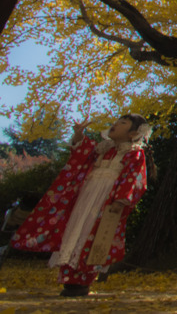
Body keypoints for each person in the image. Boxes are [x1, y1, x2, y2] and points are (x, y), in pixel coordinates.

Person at [12, 115, 151, 297]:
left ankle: (82, 281)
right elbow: (81, 153)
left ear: (134, 133)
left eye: (123, 123)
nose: (115, 125)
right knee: (74, 230)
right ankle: (69, 279)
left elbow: (133, 178)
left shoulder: (134, 153)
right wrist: (79, 135)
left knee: (92, 234)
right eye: (116, 122)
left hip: (105, 200)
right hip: (86, 195)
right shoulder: (102, 149)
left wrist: (120, 200)